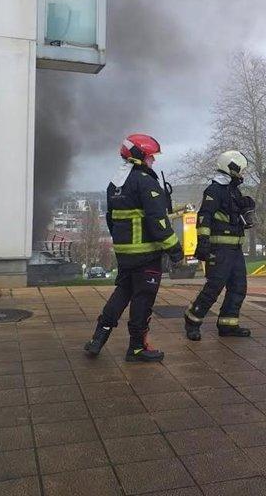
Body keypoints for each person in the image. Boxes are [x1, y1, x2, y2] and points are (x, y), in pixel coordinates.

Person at [84, 134, 183, 362]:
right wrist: (175, 250)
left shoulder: (114, 184)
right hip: (146, 255)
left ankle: (98, 338)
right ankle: (137, 348)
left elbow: (111, 220)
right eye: (151, 156)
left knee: (122, 293)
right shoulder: (146, 182)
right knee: (143, 298)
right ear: (139, 157)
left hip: (124, 254)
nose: (153, 161)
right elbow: (158, 222)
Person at [184, 150, 256, 341]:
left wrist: (245, 208)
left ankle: (228, 325)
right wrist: (203, 242)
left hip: (235, 249)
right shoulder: (214, 190)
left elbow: (233, 215)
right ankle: (192, 320)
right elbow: (204, 216)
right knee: (214, 287)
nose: (243, 174)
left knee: (238, 287)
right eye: (241, 170)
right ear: (231, 168)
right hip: (219, 249)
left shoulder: (233, 191)